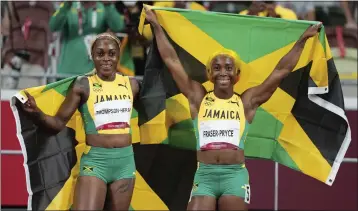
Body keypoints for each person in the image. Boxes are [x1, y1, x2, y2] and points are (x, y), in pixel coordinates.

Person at [144, 6, 321, 211]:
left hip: (234, 176)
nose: (223, 73)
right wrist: (157, 27)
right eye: (217, 68)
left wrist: (301, 41)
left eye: (228, 68)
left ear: (236, 74)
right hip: (205, 175)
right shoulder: (198, 97)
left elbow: (280, 72)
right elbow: (171, 60)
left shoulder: (246, 102)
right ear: (210, 74)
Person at [20, 32, 140, 210]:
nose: (106, 58)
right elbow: (57, 124)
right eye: (100, 54)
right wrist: (37, 113)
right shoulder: (82, 85)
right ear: (92, 57)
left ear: (118, 56)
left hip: (125, 163)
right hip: (96, 163)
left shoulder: (132, 84)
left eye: (111, 53)